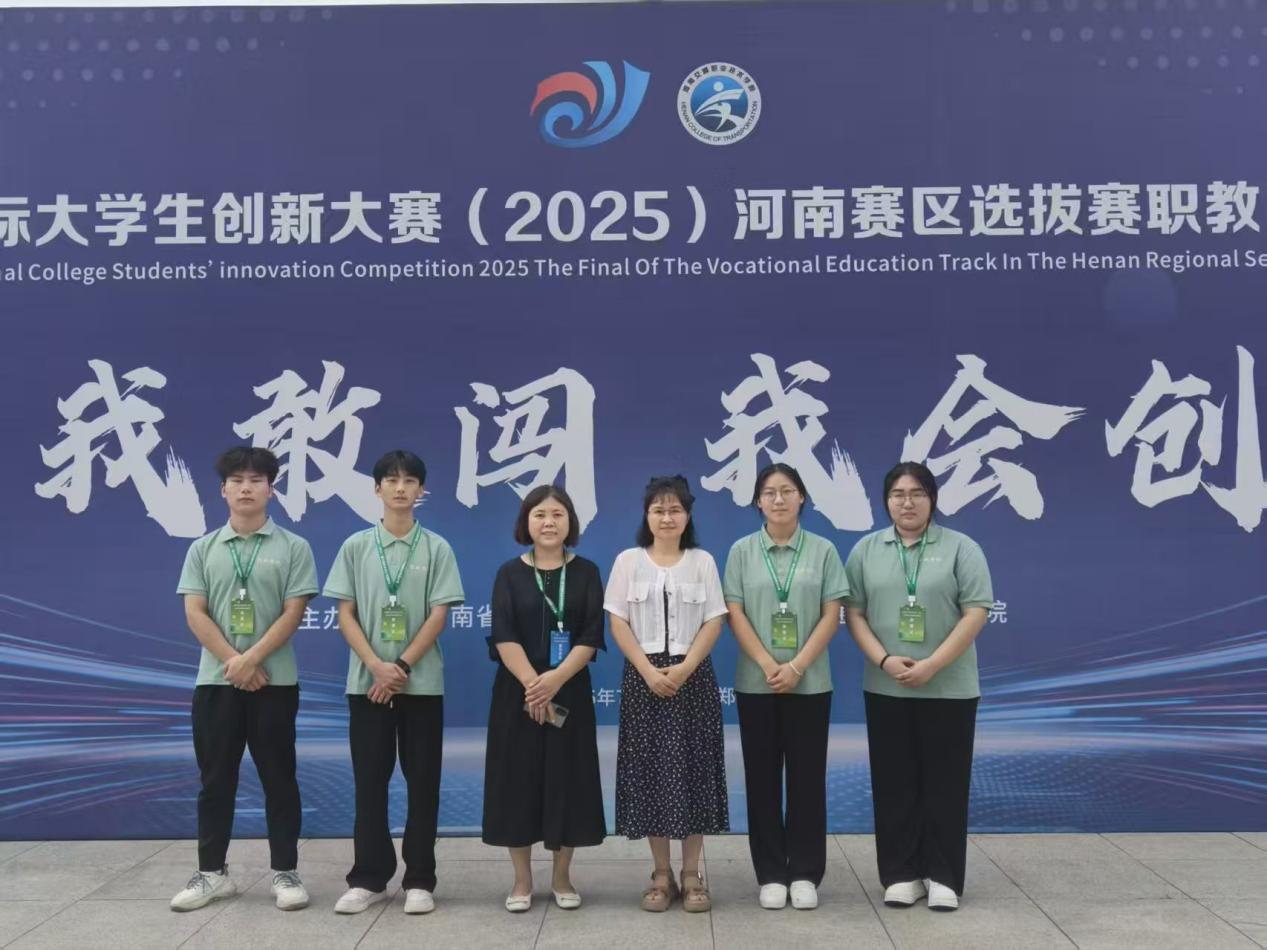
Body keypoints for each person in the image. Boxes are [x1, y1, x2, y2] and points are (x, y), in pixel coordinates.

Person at [171, 446, 318, 912]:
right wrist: (235, 663)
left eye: (256, 480)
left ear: (271, 489)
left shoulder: (293, 547)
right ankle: (212, 874)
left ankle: (285, 872)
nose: (246, 488)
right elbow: (195, 612)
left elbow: (294, 612)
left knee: (280, 778)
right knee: (216, 780)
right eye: (237, 480)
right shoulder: (203, 549)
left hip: (275, 682)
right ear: (223, 490)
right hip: (217, 683)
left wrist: (252, 659)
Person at [844, 461, 993, 912]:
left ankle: (943, 874)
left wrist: (932, 665)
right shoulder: (866, 550)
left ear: (932, 499)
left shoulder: (961, 548)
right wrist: (884, 659)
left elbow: (976, 611)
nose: (906, 502)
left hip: (949, 688)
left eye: (917, 493)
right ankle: (901, 873)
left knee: (945, 783)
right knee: (895, 783)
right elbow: (854, 613)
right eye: (898, 494)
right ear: (886, 501)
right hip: (886, 686)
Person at [323, 450, 465, 916]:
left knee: (423, 783)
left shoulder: (437, 548)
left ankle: (420, 878)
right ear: (377, 488)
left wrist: (399, 666)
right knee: (369, 782)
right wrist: (376, 666)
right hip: (367, 685)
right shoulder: (356, 546)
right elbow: (345, 614)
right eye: (391, 480)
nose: (400, 488)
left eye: (409, 481)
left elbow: (439, 614)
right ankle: (369, 878)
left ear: (421, 490)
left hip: (421, 686)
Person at [722, 463, 848, 911]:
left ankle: (806, 872)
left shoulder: (823, 550)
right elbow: (734, 612)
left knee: (807, 779)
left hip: (809, 683)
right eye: (770, 492)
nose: (779, 499)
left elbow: (832, 614)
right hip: (756, 684)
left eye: (788, 490)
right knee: (761, 780)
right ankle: (772, 872)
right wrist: (766, 663)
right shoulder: (741, 551)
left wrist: (796, 666)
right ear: (758, 501)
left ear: (802, 498)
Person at [605, 475, 729, 913]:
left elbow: (714, 619)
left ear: (688, 516)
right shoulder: (628, 561)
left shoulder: (702, 561)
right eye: (658, 510)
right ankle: (661, 874)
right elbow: (617, 620)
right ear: (647, 515)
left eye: (675, 509)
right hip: (644, 679)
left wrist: (685, 668)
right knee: (650, 774)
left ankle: (692, 875)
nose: (667, 517)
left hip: (692, 676)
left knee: (694, 772)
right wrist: (647, 671)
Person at [481, 485, 606, 912]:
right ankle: (521, 880)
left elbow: (591, 634)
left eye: (557, 514)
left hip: (569, 690)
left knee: (567, 781)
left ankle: (562, 877)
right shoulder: (508, 573)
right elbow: (503, 633)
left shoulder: (587, 571)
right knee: (516, 782)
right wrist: (533, 684)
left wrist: (554, 680)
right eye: (539, 515)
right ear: (526, 523)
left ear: (570, 521)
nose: (548, 522)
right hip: (516, 693)